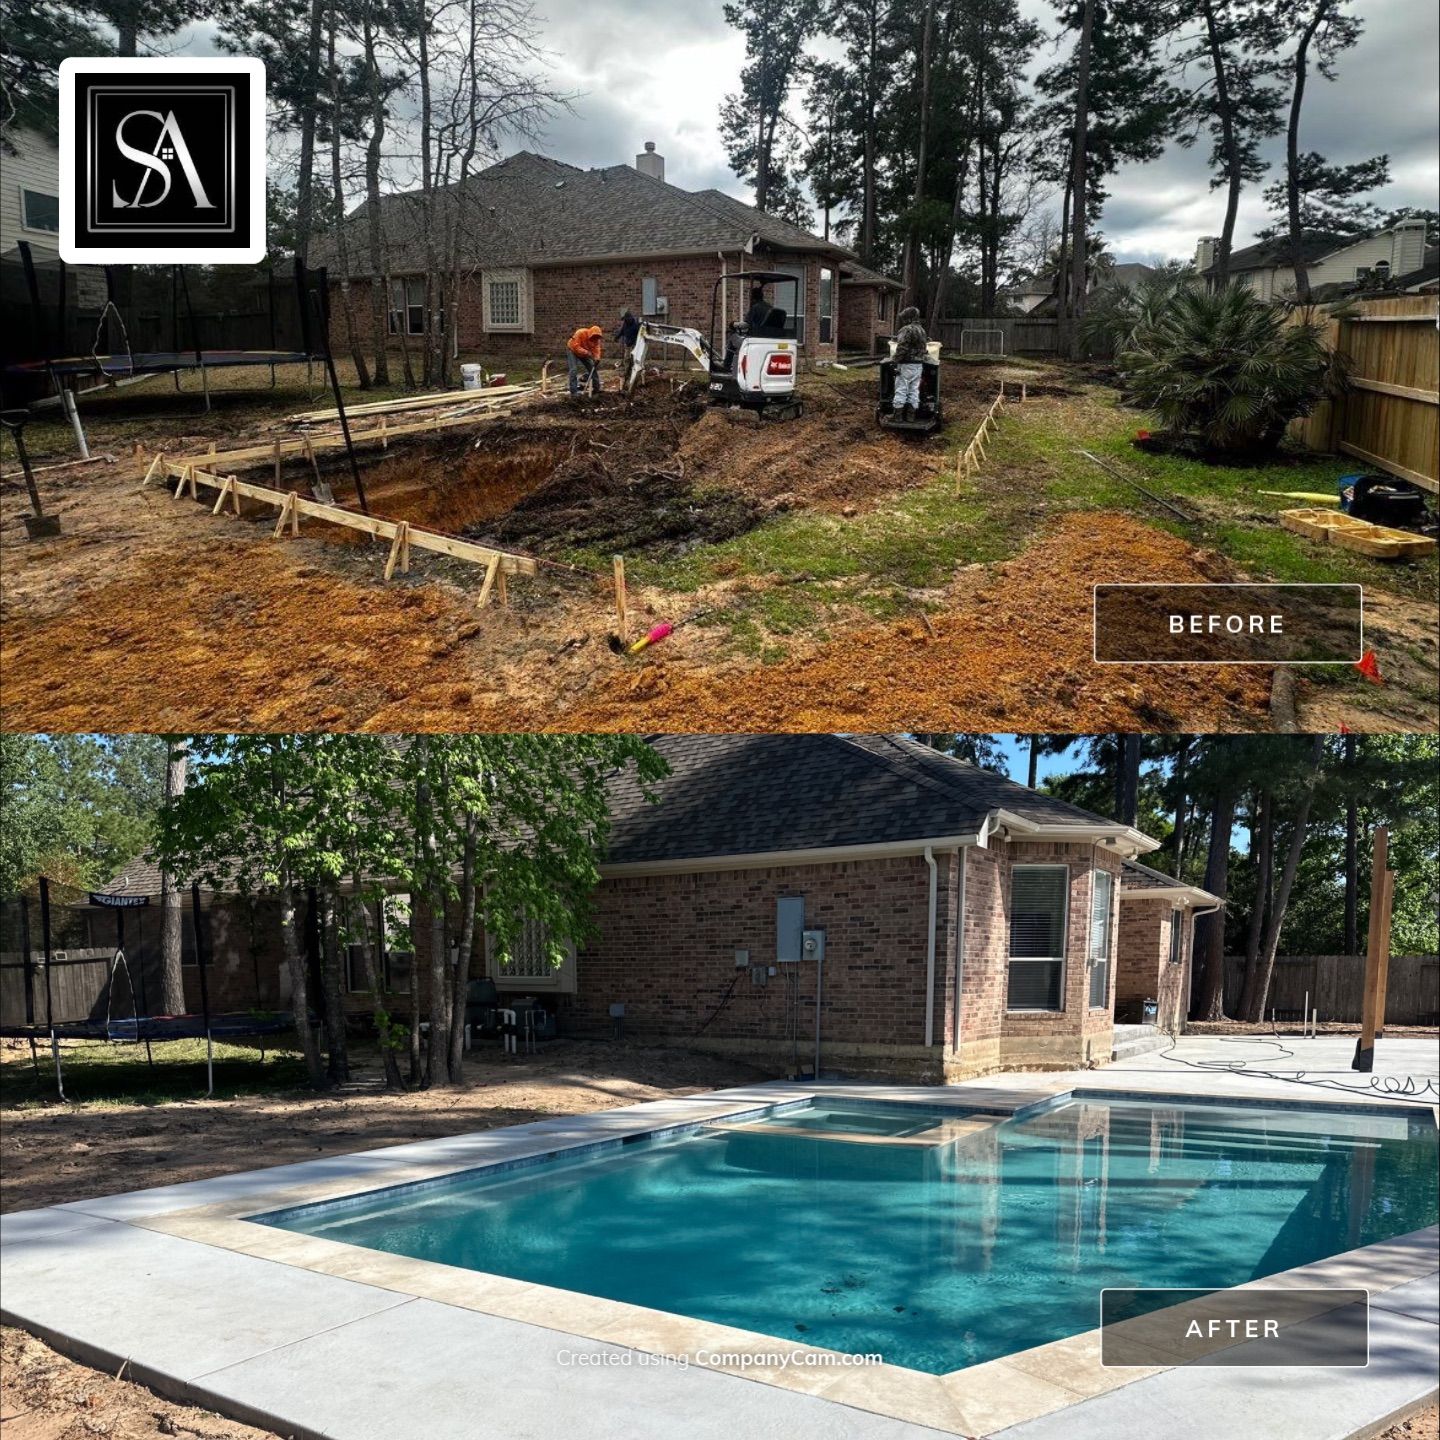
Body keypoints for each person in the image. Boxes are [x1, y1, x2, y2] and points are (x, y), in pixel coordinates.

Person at [891, 306, 929, 421]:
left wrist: (895, 360)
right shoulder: (922, 330)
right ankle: (911, 416)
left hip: (906, 364)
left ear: (908, 318)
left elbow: (902, 347)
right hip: (918, 365)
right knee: (914, 390)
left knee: (901, 388)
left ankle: (897, 416)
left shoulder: (907, 329)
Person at [567, 324, 604, 397]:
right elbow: (575, 346)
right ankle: (574, 392)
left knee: (592, 368)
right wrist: (587, 352)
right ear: (591, 334)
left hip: (585, 352)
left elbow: (597, 349)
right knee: (573, 370)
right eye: (594, 337)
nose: (595, 339)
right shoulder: (580, 333)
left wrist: (597, 358)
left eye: (597, 337)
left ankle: (596, 389)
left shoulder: (596, 340)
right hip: (572, 351)